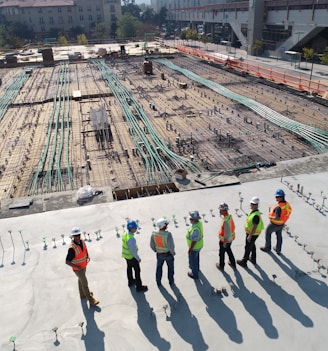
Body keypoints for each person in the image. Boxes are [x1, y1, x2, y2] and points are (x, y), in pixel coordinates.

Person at [66, 226, 99, 306]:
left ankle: (82, 294)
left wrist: (87, 256)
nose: (77, 237)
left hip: (84, 265)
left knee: (81, 280)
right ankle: (91, 300)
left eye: (78, 235)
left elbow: (85, 250)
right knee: (85, 282)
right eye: (75, 235)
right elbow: (67, 261)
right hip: (78, 269)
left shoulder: (82, 241)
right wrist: (77, 267)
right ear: (73, 236)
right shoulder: (72, 248)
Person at [261, 189, 292, 255]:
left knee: (268, 233)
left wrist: (270, 217)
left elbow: (277, 217)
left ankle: (267, 247)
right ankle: (278, 249)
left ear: (281, 197)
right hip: (282, 224)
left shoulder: (278, 207)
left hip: (274, 224)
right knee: (279, 236)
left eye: (277, 197)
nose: (276, 198)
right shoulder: (286, 204)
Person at [237, 197, 264, 267]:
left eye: (253, 204)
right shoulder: (252, 211)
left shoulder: (256, 216)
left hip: (253, 234)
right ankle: (253, 258)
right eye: (251, 204)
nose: (251, 205)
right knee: (252, 245)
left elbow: (254, 226)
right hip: (251, 233)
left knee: (248, 247)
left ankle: (244, 261)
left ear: (256, 205)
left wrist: (250, 236)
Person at [121, 220, 148, 292]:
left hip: (126, 256)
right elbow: (133, 251)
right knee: (137, 271)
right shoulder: (131, 239)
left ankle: (131, 281)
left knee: (129, 268)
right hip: (132, 257)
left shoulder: (125, 234)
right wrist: (138, 258)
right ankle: (139, 286)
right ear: (132, 229)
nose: (136, 229)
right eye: (135, 228)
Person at [150, 218, 176, 287]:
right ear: (164, 226)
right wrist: (173, 252)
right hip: (168, 254)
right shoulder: (168, 234)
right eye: (166, 225)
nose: (167, 226)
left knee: (159, 268)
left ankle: (158, 281)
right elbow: (171, 245)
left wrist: (155, 250)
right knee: (170, 268)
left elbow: (152, 245)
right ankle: (171, 281)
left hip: (159, 254)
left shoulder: (154, 233)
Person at [216, 203, 236, 271]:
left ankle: (221, 266)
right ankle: (233, 263)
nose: (219, 211)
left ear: (224, 211)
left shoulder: (226, 221)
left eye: (220, 210)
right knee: (228, 250)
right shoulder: (229, 216)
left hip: (225, 240)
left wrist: (224, 243)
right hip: (230, 239)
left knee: (221, 253)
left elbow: (226, 233)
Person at [186, 211, 203, 279]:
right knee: (196, 258)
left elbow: (194, 241)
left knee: (193, 260)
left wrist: (190, 249)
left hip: (195, 247)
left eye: (191, 219)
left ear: (195, 219)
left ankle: (194, 274)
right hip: (199, 246)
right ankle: (197, 269)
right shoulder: (199, 224)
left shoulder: (195, 229)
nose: (190, 220)